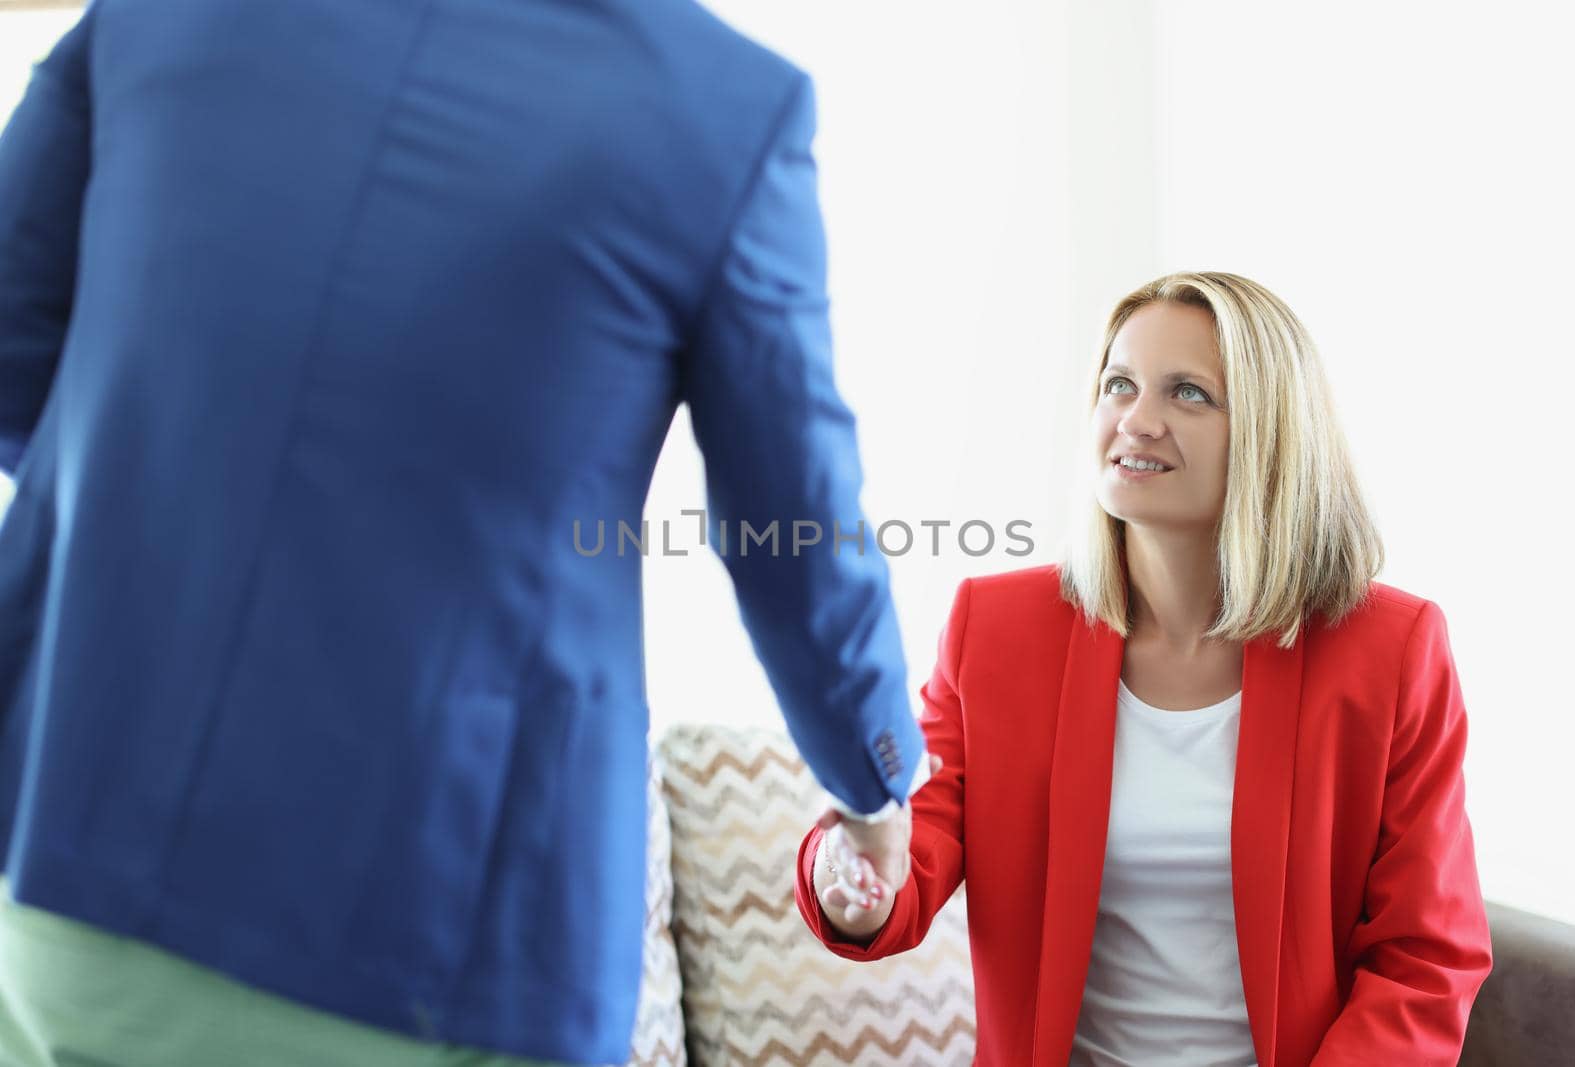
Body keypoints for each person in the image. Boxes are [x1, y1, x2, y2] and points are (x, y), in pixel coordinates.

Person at [0, 1, 926, 1064]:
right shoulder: (724, 109)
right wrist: (875, 782)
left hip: (71, 839)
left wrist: (169, 515)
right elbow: (793, 529)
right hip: (446, 927)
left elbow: (14, 349)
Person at [797, 271, 1494, 1066]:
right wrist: (851, 874)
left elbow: (1426, 958)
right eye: (1119, 384)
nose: (1137, 419)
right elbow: (921, 831)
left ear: (1271, 433)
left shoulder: (1391, 650)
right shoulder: (997, 628)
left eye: (1188, 393)